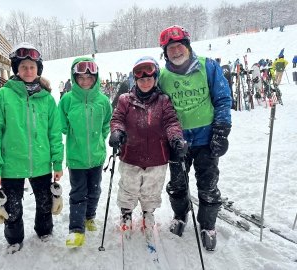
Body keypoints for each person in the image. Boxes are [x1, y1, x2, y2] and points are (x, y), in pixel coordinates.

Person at [0, 42, 64, 254]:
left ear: (38, 69)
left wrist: (57, 162)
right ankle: (14, 239)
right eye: (23, 67)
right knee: (12, 208)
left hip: (42, 163)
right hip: (11, 164)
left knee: (45, 203)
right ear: (16, 69)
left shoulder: (47, 99)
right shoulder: (2, 96)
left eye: (32, 67)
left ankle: (44, 231)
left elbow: (54, 133)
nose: (28, 71)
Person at [158, 25, 232, 251]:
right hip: (177, 140)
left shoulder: (208, 66)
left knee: (208, 184)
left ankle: (207, 224)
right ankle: (180, 215)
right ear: (165, 52)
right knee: (178, 184)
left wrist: (221, 130)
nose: (176, 51)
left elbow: (222, 98)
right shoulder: (162, 76)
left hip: (206, 139)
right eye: (171, 48)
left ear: (188, 46)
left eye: (180, 46)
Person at [109, 56, 186, 237]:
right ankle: (126, 213)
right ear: (135, 80)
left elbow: (171, 122)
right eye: (141, 79)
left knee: (152, 189)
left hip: (157, 157)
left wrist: (176, 138)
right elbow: (117, 119)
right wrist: (117, 132)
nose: (145, 82)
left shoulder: (164, 101)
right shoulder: (125, 100)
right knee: (128, 187)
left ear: (156, 79)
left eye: (149, 79)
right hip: (130, 155)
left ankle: (148, 213)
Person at [58, 57, 112, 248]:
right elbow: (61, 126)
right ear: (74, 78)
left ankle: (90, 216)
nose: (85, 81)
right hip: (76, 158)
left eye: (89, 77)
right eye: (81, 77)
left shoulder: (103, 101)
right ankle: (76, 229)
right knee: (78, 193)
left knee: (95, 190)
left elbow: (107, 123)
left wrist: (100, 138)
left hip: (97, 157)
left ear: (95, 78)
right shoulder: (67, 100)